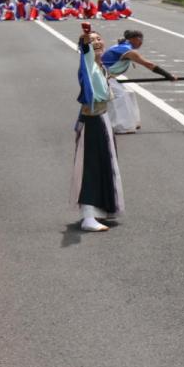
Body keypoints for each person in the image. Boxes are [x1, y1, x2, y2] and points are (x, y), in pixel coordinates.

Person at [72, 26, 123, 233]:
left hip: (102, 119)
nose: (97, 42)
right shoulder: (87, 63)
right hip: (92, 122)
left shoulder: (100, 66)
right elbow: (85, 49)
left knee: (105, 165)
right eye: (92, 40)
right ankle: (88, 217)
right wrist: (86, 37)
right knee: (91, 167)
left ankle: (99, 211)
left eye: (99, 39)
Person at [101, 30, 175, 134]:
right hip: (102, 75)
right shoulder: (127, 50)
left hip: (109, 75)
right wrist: (168, 75)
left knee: (129, 93)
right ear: (133, 39)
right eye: (140, 39)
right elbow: (148, 64)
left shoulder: (124, 46)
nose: (141, 42)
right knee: (119, 96)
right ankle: (120, 126)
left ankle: (133, 122)